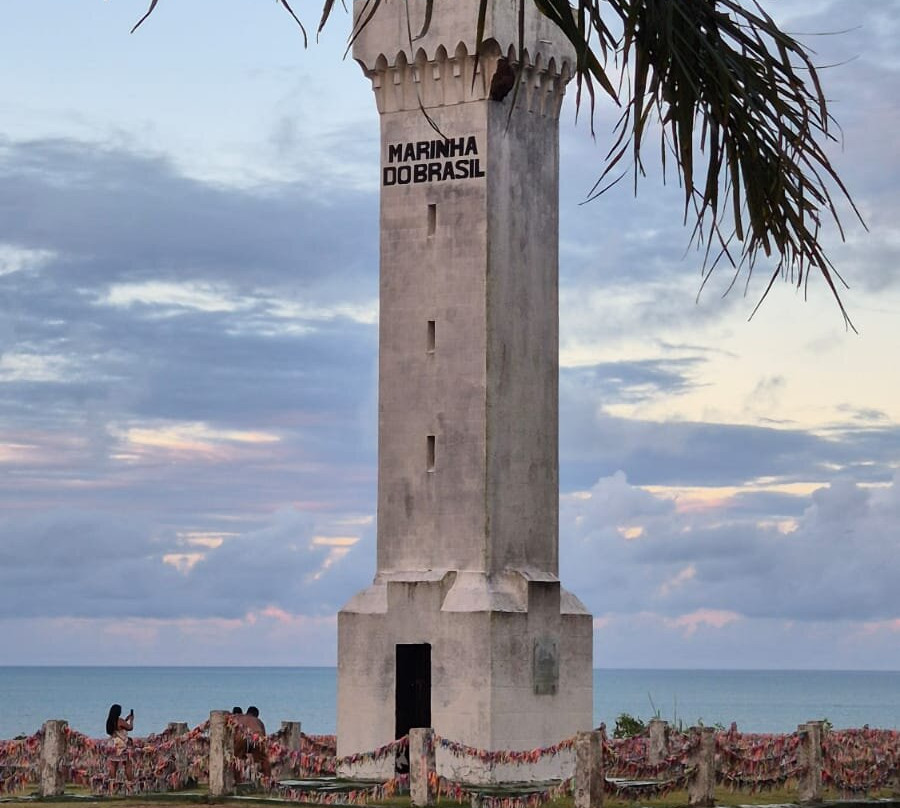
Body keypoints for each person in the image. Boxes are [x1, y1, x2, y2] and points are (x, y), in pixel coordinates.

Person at [232, 705, 271, 778]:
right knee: (264, 760)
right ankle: (267, 780)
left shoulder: (239, 717)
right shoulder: (258, 721)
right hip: (257, 736)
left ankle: (237, 781)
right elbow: (264, 738)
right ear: (256, 715)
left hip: (242, 736)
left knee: (236, 758)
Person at [105, 704, 134, 781]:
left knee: (113, 764)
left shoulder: (109, 721)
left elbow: (118, 728)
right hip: (120, 745)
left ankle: (112, 782)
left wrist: (126, 719)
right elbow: (130, 728)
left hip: (112, 744)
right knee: (127, 764)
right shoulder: (119, 720)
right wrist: (131, 720)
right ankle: (130, 782)